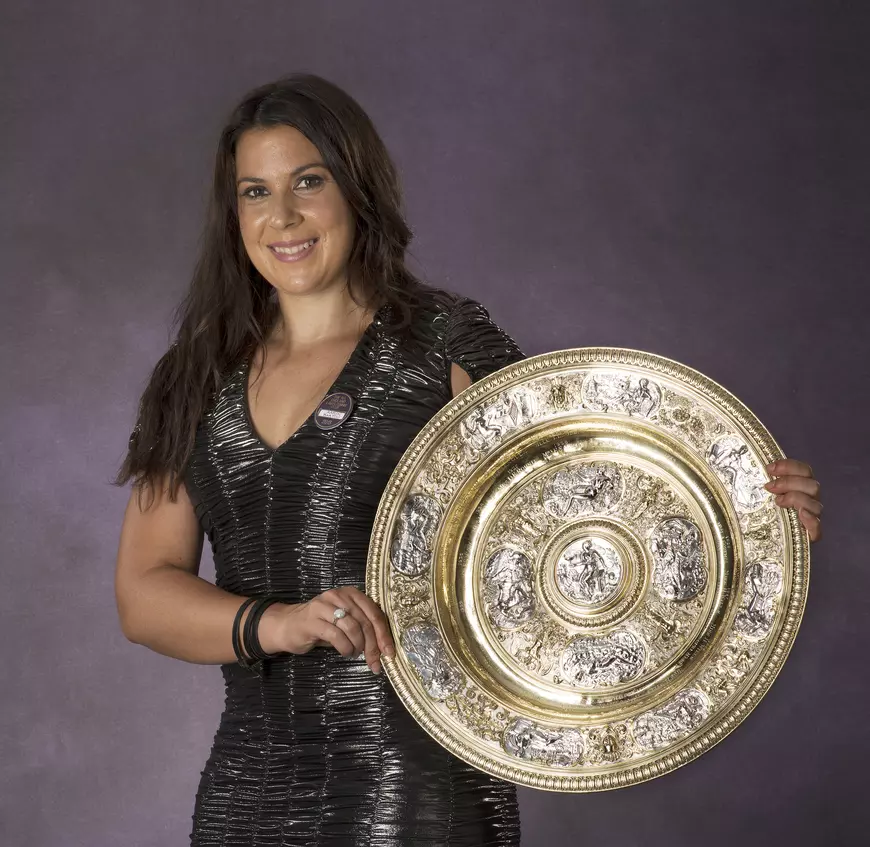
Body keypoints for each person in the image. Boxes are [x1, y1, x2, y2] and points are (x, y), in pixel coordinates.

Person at [113, 73, 824, 846]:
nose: (282, 216)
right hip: (245, 795)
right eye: (255, 192)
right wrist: (279, 623)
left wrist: (753, 516)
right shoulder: (194, 375)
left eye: (307, 182)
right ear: (233, 213)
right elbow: (144, 593)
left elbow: (596, 515)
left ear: (356, 189)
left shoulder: (445, 345)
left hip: (420, 792)